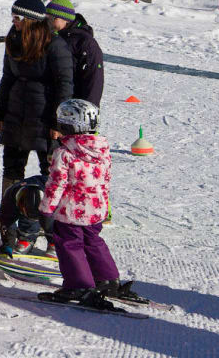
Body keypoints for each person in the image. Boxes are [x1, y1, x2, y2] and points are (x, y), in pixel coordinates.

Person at [39, 99, 144, 308]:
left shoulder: (64, 153)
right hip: (96, 208)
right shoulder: (102, 149)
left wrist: (46, 209)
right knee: (93, 241)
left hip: (71, 212)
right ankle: (107, 279)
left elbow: (56, 184)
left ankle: (79, 284)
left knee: (70, 245)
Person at [0, 0, 73, 222]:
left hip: (45, 117)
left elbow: (65, 85)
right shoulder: (14, 41)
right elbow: (6, 78)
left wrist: (59, 123)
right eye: (12, 16)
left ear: (31, 20)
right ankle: (6, 218)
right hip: (16, 114)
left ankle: (51, 224)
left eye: (17, 17)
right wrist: (0, 112)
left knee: (50, 171)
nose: (13, 22)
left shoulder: (55, 46)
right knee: (12, 169)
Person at [47, 0, 104, 107]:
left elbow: (93, 80)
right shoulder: (49, 36)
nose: (49, 22)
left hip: (73, 105)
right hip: (50, 102)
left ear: (66, 19)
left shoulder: (85, 42)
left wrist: (88, 108)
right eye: (47, 17)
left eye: (54, 18)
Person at [0, 176, 53, 256]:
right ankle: (27, 236)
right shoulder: (10, 197)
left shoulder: (52, 189)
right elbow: (6, 223)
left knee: (50, 220)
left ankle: (54, 241)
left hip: (49, 200)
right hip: (23, 201)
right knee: (22, 218)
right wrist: (8, 245)